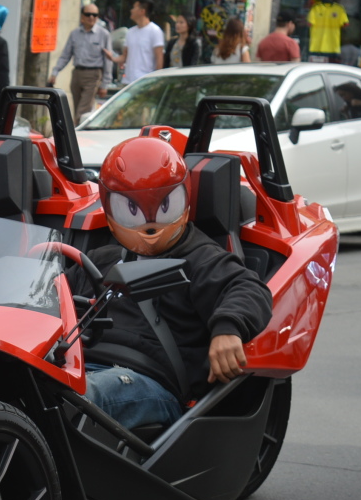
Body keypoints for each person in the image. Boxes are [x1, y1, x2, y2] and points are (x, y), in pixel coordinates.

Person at [71, 135, 272, 429]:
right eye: (132, 210)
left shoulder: (203, 258)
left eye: (166, 206)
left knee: (78, 397)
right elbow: (49, 294)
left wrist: (228, 328)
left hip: (150, 381)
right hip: (79, 365)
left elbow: (249, 289)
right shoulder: (99, 259)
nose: (149, 225)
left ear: (184, 198)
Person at [47, 3, 111, 118]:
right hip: (76, 74)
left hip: (93, 75)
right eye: (88, 14)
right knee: (76, 108)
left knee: (82, 112)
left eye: (94, 15)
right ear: (82, 16)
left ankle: (75, 134)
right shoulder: (75, 33)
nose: (91, 17)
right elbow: (65, 55)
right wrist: (55, 72)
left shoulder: (104, 34)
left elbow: (108, 60)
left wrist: (105, 84)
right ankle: (78, 132)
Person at [105, 0, 164, 85]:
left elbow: (159, 58)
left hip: (145, 82)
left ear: (142, 11)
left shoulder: (155, 31)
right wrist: (112, 58)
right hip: (127, 82)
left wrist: (156, 81)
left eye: (134, 7)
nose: (131, 10)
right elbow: (125, 56)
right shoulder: (130, 32)